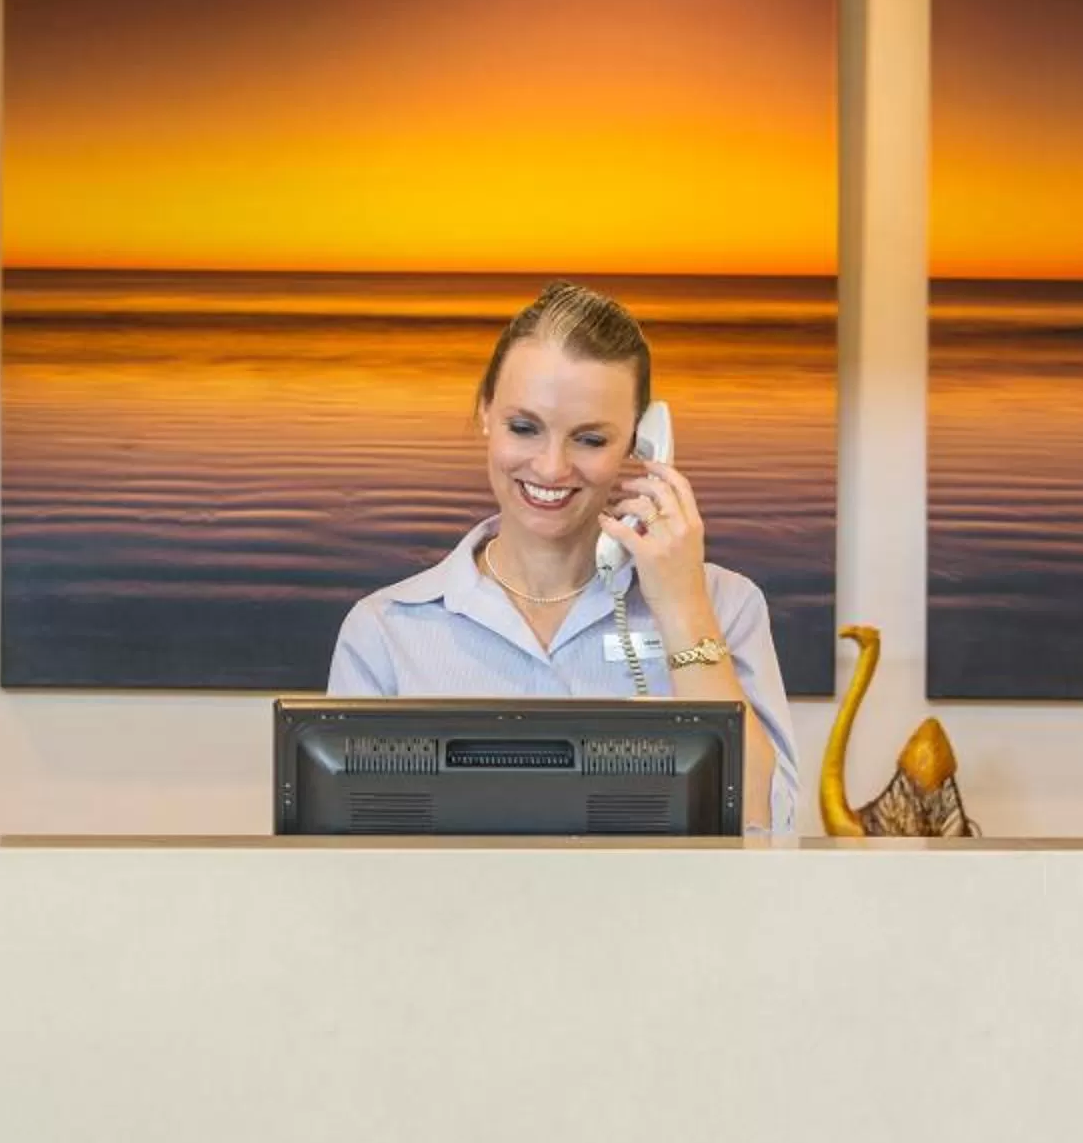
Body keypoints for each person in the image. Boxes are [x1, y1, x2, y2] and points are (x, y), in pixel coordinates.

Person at [328, 281, 797, 833]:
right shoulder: (387, 628)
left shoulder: (725, 605)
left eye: (591, 440)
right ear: (485, 411)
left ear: (640, 443)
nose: (551, 468)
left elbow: (772, 829)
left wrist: (680, 606)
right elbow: (349, 858)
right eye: (524, 428)